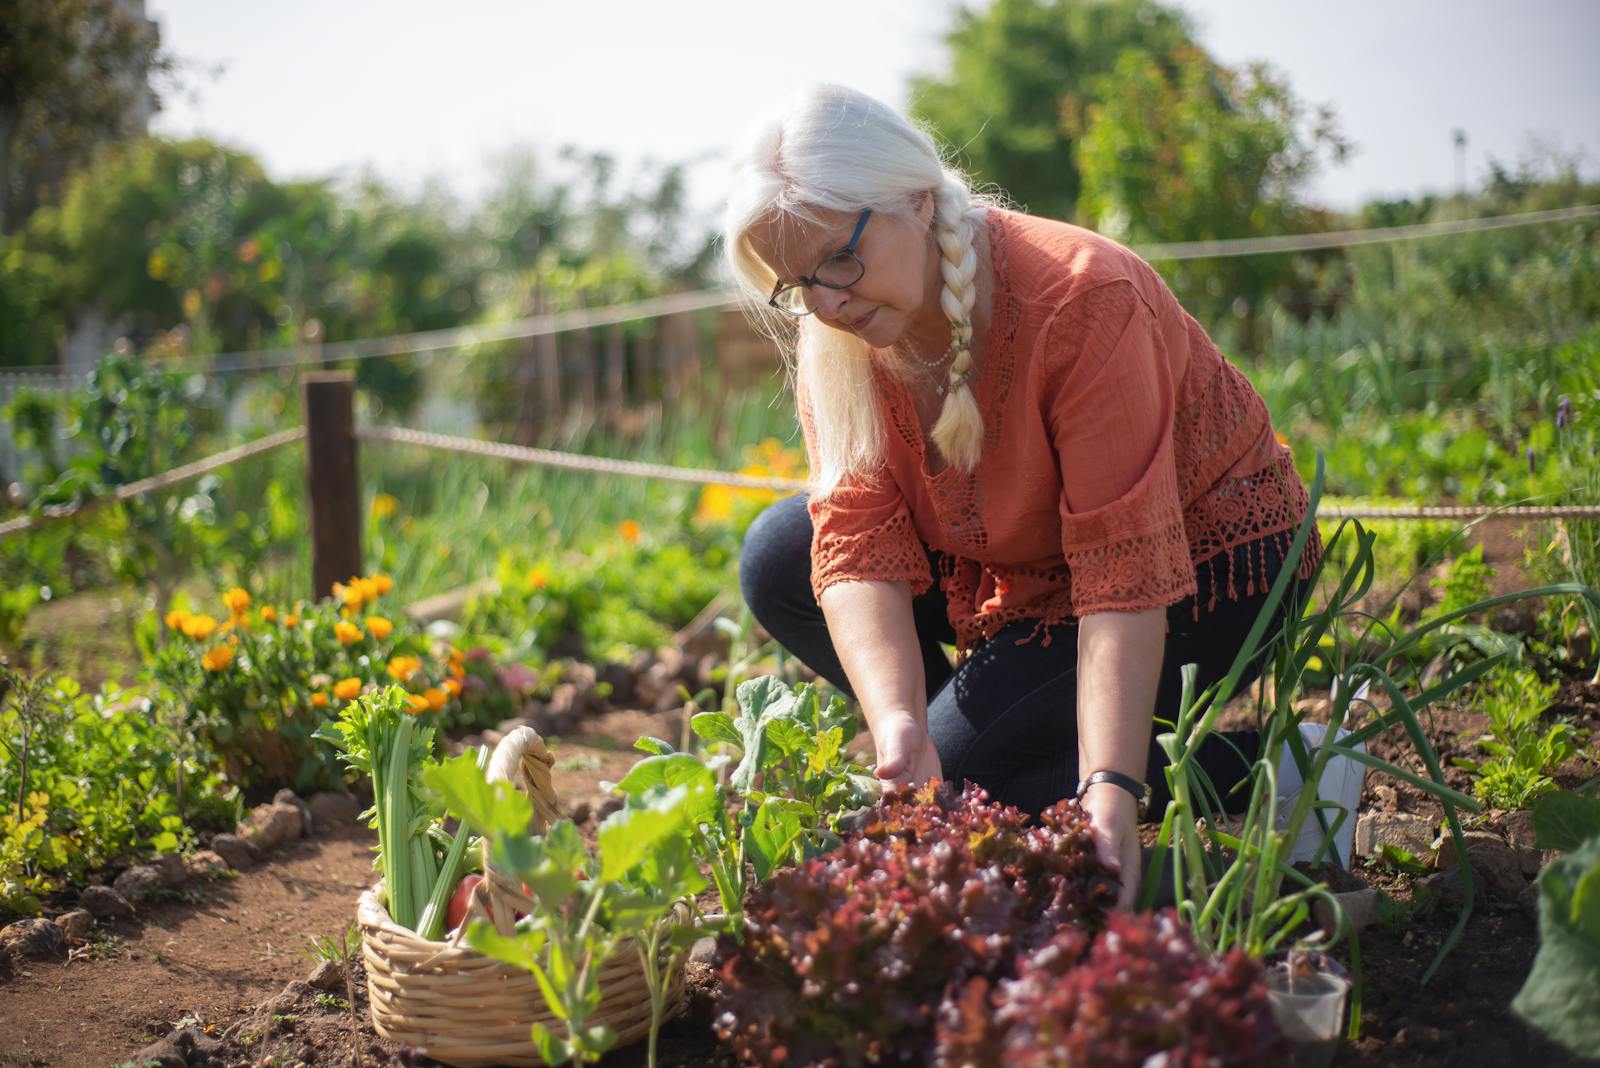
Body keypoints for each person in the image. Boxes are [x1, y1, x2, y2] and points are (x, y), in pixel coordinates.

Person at [724, 84, 1357, 909]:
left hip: (1207, 569)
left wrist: (1110, 791)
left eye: (839, 263)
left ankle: (1285, 766)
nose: (827, 304)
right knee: (781, 555)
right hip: (1023, 573)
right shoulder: (838, 332)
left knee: (974, 784)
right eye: (796, 284)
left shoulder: (1083, 298)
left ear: (915, 200)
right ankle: (992, 736)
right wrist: (900, 725)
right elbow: (856, 537)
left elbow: (1122, 578)